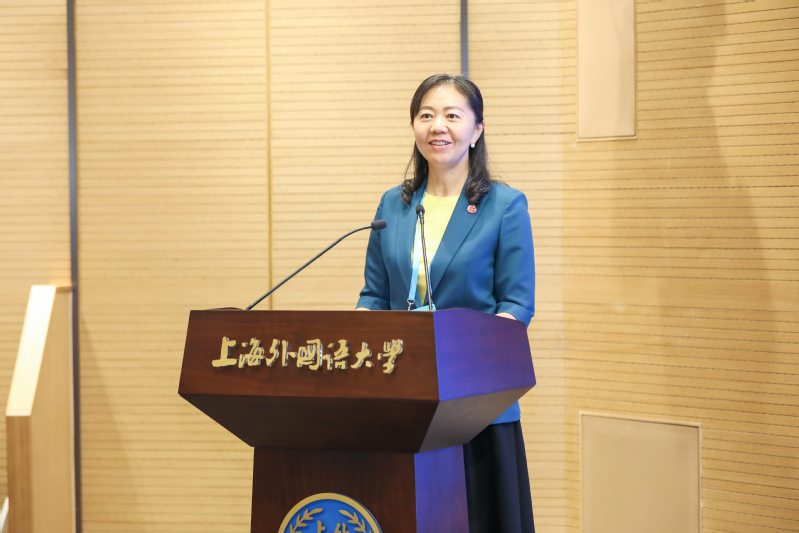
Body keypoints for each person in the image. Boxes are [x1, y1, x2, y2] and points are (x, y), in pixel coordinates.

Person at [356, 73, 536, 533]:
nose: (438, 126)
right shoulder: (393, 205)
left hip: (474, 404)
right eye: (427, 115)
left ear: (477, 130)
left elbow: (517, 305)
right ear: (414, 127)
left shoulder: (504, 205)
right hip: (402, 400)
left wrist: (465, 358)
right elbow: (374, 297)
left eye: (452, 115)